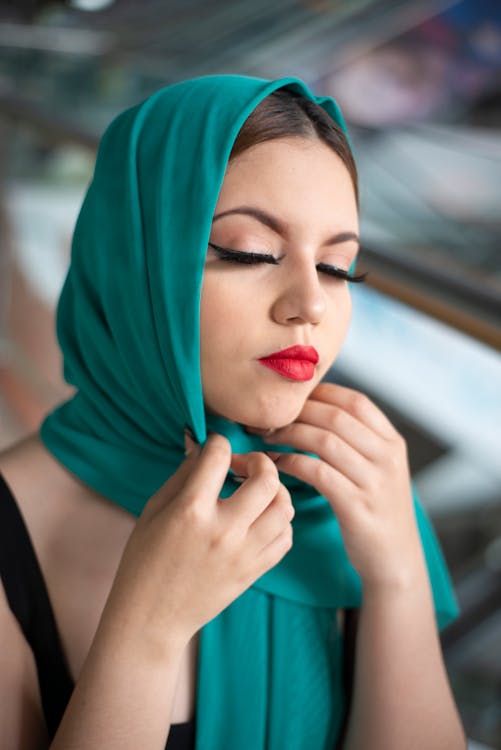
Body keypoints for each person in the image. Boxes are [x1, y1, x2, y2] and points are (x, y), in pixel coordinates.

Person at [0, 74, 466, 750]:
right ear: (138, 262)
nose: (308, 302)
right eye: (249, 252)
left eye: (338, 267)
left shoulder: (348, 492)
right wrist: (146, 631)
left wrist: (396, 573)